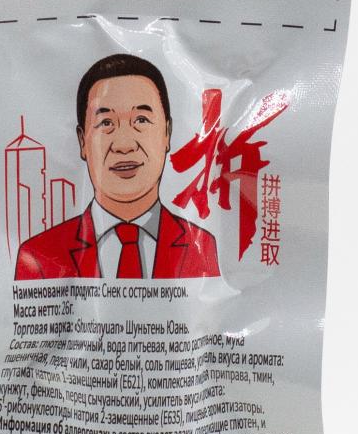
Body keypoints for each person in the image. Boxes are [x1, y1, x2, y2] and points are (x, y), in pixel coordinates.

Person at [14, 54, 221, 280]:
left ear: (167, 133)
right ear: (82, 141)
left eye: (141, 120)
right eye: (106, 123)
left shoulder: (202, 246)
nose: (124, 145)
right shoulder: (39, 255)